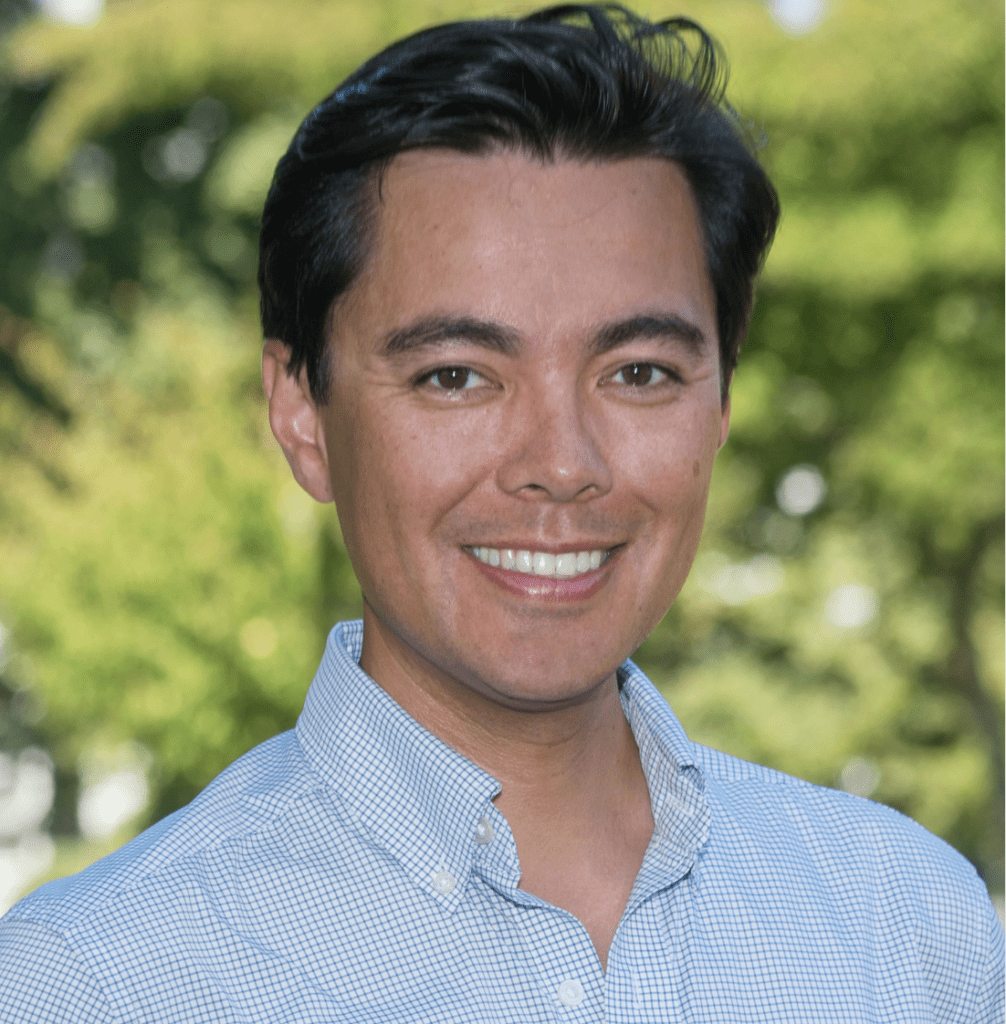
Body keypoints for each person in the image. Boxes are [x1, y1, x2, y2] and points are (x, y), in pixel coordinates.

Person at [1, 5, 1002, 1021]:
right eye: (455, 376)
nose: (561, 465)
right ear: (302, 414)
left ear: (720, 404)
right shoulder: (96, 982)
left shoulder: (906, 930)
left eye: (640, 371)